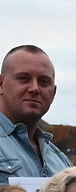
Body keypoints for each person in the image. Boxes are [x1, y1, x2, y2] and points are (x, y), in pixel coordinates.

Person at [0, 45, 70, 181]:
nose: (35, 88)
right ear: (1, 85)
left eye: (44, 82)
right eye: (24, 78)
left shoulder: (62, 164)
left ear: (53, 93)